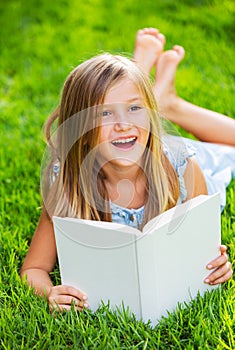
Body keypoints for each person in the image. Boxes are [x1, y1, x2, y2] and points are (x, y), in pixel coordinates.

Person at [21, 28, 234, 312]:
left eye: (134, 109)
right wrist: (49, 293)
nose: (122, 124)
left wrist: (218, 264)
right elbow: (34, 268)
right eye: (105, 113)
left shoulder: (182, 166)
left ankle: (169, 103)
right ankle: (146, 84)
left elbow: (204, 251)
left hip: (163, 153)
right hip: (136, 144)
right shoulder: (68, 183)